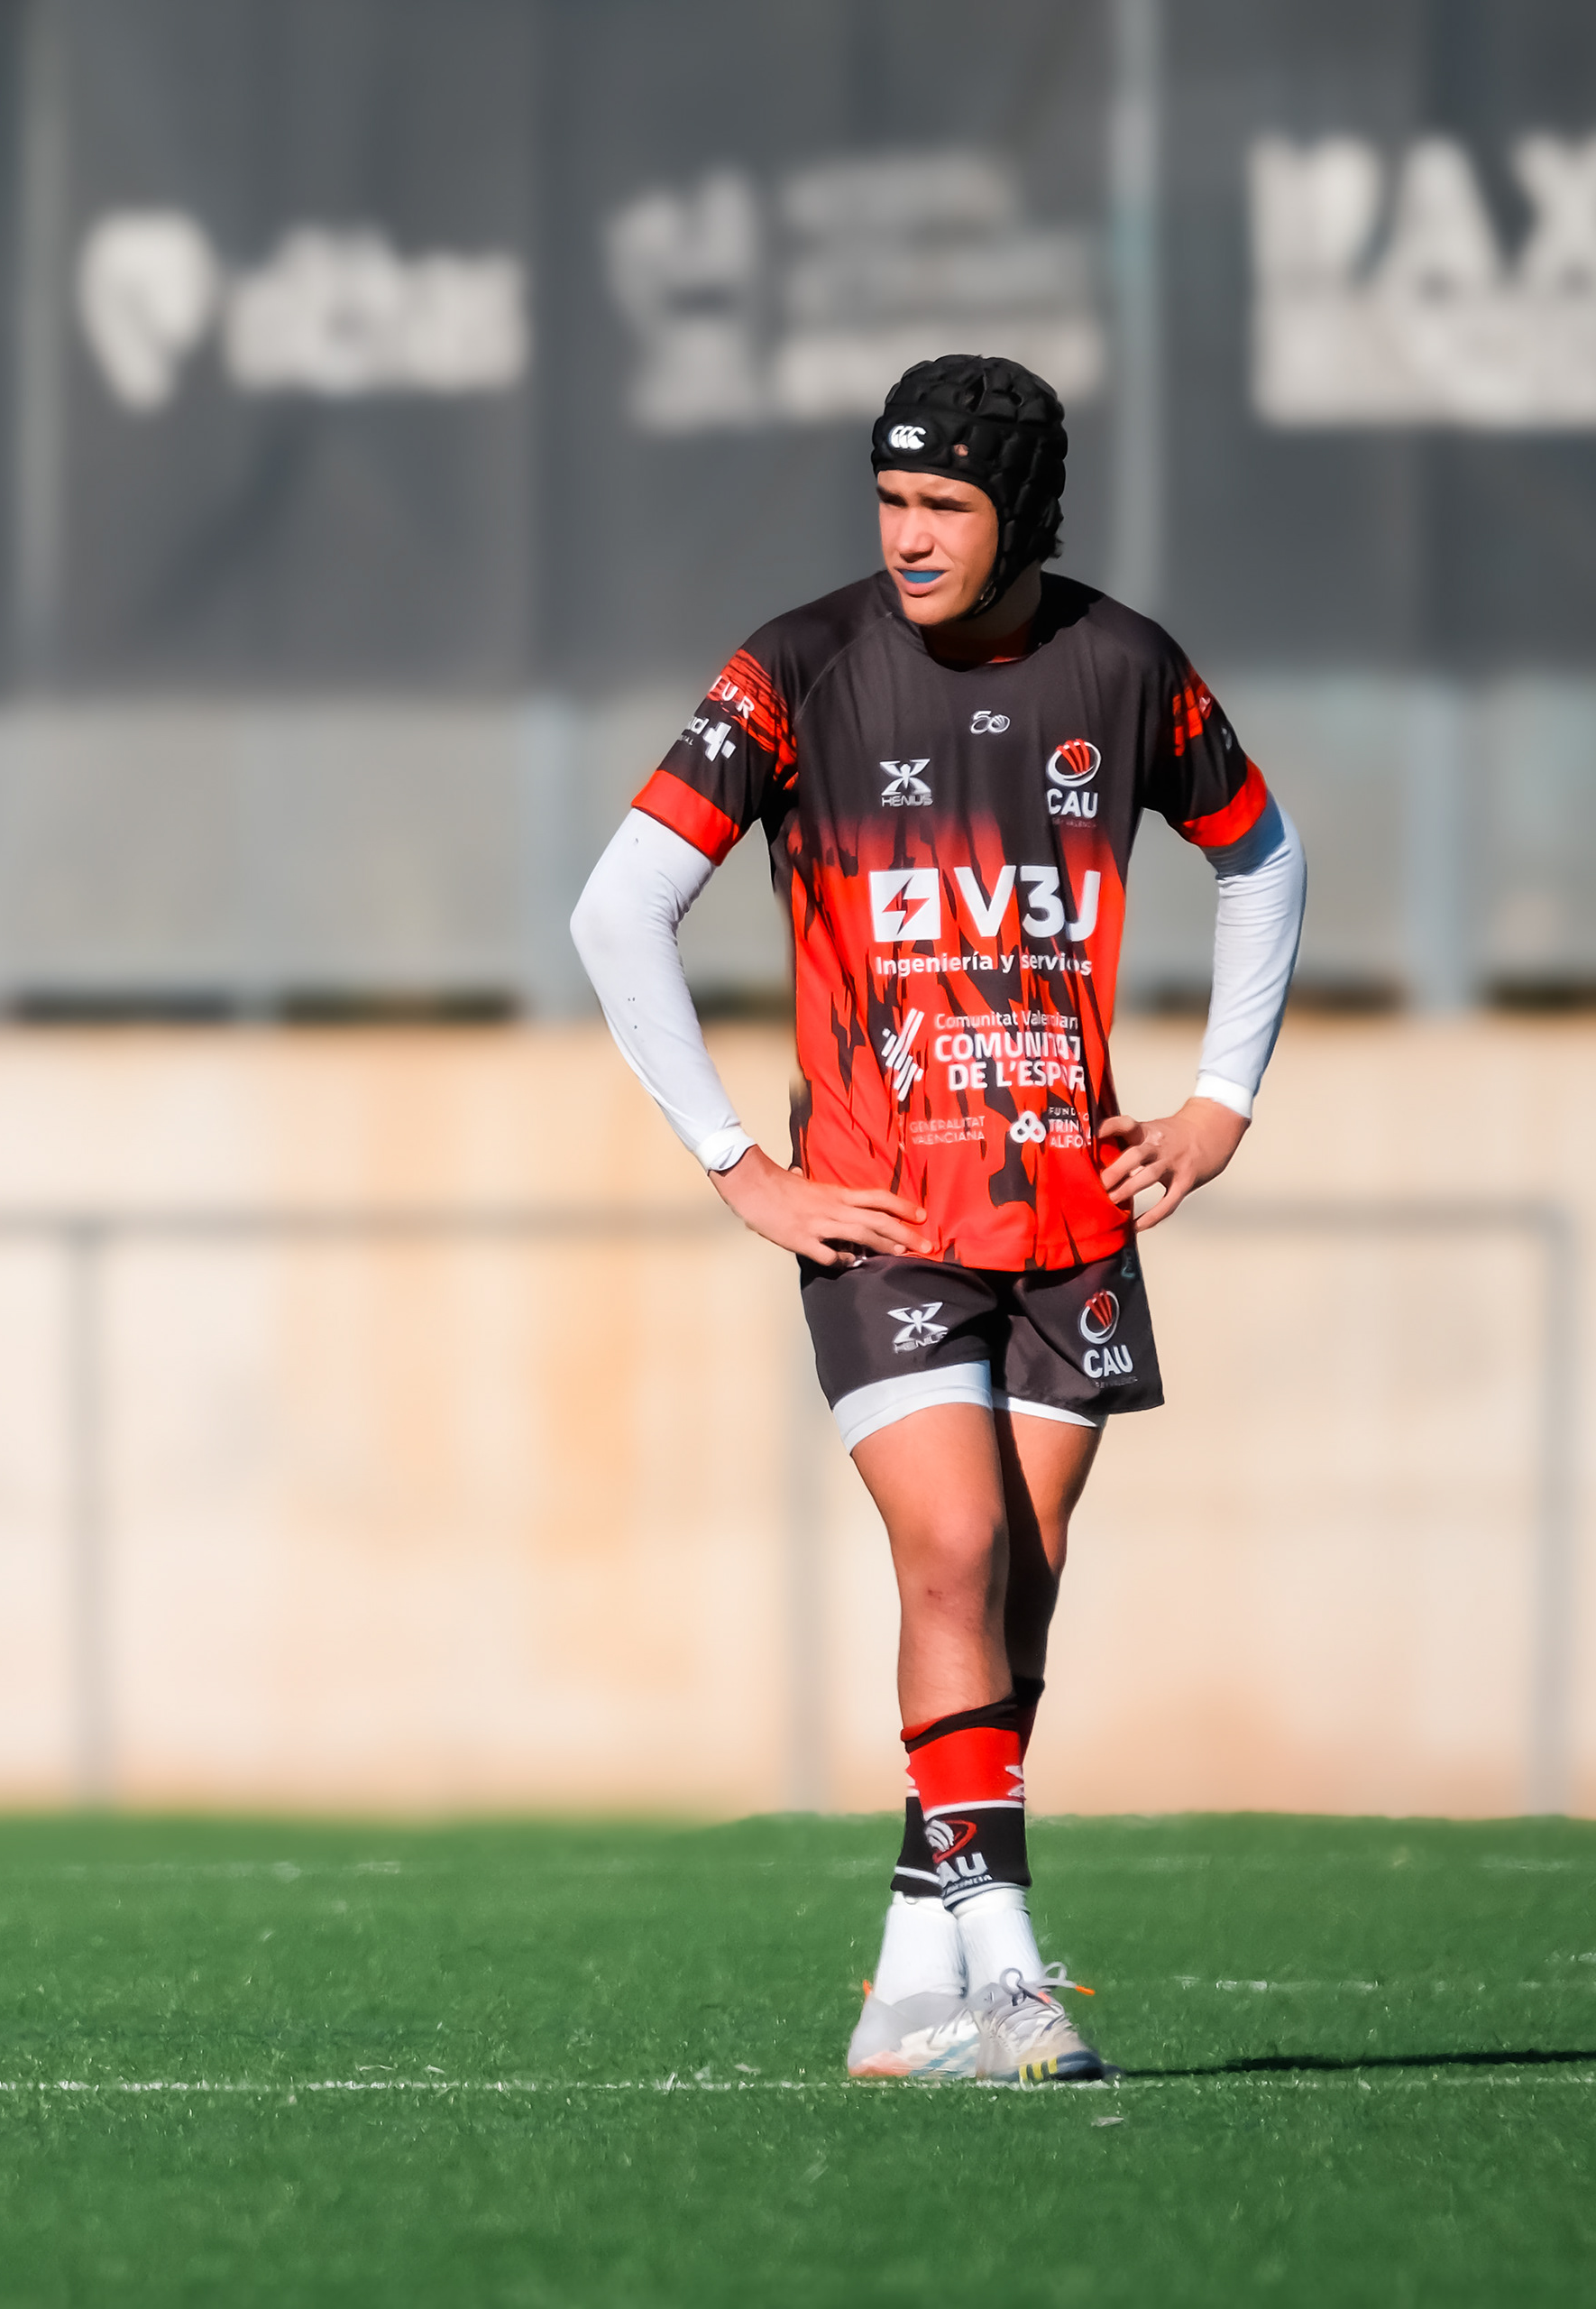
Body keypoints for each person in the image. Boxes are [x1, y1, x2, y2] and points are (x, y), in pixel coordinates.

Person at [567, 354, 1306, 2085]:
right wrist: (740, 1164)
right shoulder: (798, 668)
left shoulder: (1126, 666)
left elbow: (1262, 857)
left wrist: (1222, 1100)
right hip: (881, 1214)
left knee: (1015, 1583)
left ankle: (909, 1989)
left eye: (946, 506)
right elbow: (619, 910)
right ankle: (1012, 1975)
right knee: (957, 1551)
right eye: (892, 501)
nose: (907, 536)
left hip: (1073, 1209)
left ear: (1025, 512)